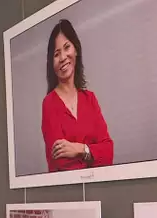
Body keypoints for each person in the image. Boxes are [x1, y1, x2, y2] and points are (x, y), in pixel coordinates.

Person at [41, 19, 114, 172]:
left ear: (76, 49)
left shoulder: (90, 99)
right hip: (67, 193)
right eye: (56, 53)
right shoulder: (49, 103)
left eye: (67, 47)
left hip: (97, 190)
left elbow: (108, 152)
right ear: (51, 62)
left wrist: (79, 149)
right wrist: (92, 153)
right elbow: (60, 163)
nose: (62, 58)